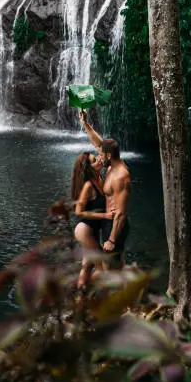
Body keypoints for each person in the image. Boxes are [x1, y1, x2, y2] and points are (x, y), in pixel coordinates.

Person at [79, 110, 131, 269]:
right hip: (107, 220)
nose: (99, 157)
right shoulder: (111, 164)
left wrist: (112, 239)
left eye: (101, 155)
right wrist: (85, 124)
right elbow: (98, 143)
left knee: (110, 268)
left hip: (115, 225)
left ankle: (120, 290)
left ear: (109, 155)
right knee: (116, 264)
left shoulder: (121, 176)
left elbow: (121, 213)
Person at [71, 151, 115, 286]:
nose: (99, 160)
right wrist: (105, 215)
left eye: (97, 157)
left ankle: (80, 297)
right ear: (89, 168)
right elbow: (78, 212)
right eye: (95, 160)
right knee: (102, 268)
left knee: (87, 265)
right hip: (84, 230)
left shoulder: (99, 179)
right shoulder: (88, 186)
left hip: (92, 230)